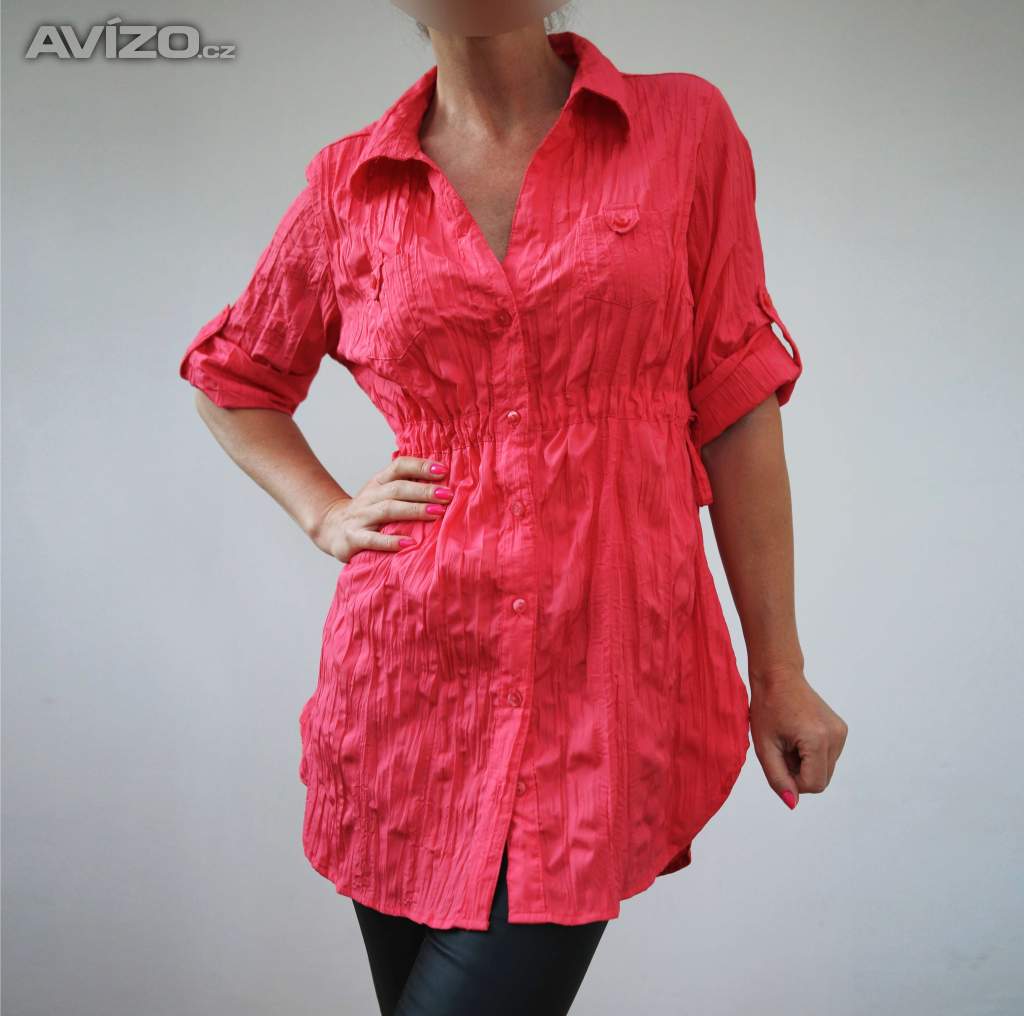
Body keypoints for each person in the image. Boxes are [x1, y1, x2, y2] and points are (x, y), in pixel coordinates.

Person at [178, 9, 848, 1015]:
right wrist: (325, 513)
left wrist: (779, 668)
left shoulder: (682, 129)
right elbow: (234, 379)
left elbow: (736, 405)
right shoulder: (348, 185)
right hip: (407, 698)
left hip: (604, 681)